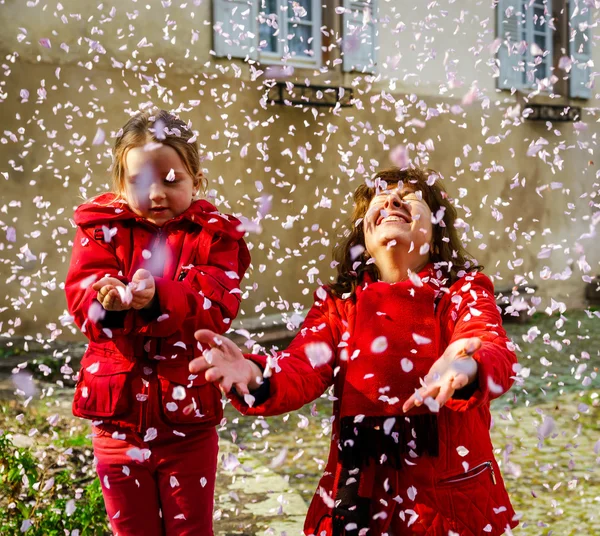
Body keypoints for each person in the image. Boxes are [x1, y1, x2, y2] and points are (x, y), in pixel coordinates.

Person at [190, 167, 520, 536]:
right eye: (382, 196)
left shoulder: (462, 291)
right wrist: (256, 376)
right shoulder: (338, 304)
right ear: (364, 231)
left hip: (448, 506)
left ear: (438, 226)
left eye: (409, 197)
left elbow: (489, 342)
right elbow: (301, 365)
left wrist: (467, 364)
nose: (393, 199)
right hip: (358, 498)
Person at [65, 109, 250, 536]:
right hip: (118, 422)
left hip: (187, 424)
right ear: (120, 183)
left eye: (172, 181)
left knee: (190, 529)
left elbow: (217, 304)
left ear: (196, 181)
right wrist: (106, 295)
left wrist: (159, 298)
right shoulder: (100, 229)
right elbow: (82, 300)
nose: (156, 194)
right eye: (140, 181)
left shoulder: (215, 237)